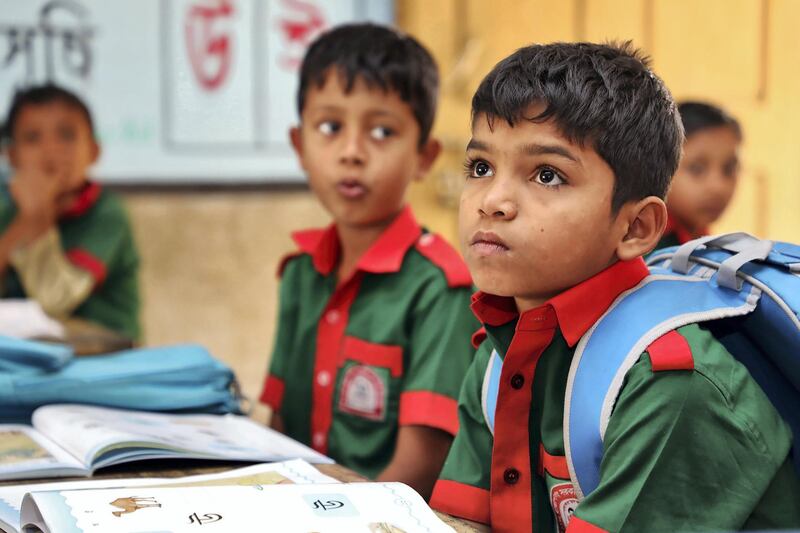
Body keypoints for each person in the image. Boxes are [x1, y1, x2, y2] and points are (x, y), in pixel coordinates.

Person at [430, 42, 800, 532]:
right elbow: (461, 521)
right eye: (481, 167)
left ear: (635, 228)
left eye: (547, 174)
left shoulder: (669, 380)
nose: (492, 201)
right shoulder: (502, 350)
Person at [259, 23, 477, 499]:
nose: (352, 153)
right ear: (299, 146)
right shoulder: (299, 272)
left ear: (424, 156)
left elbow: (420, 461)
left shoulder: (441, 287)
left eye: (382, 131)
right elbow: (278, 427)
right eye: (330, 127)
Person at [0, 84, 140, 339]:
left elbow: (55, 300)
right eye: (32, 138)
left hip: (108, 358)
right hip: (31, 361)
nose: (50, 152)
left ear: (94, 151)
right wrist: (23, 224)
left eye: (66, 135)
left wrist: (37, 217)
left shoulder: (106, 213)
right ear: (11, 156)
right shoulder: (8, 211)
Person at [658, 101, 742, 248]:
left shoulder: (703, 240)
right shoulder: (644, 249)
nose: (718, 187)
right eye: (696, 169)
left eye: (729, 169)